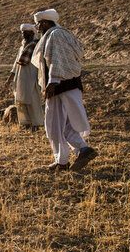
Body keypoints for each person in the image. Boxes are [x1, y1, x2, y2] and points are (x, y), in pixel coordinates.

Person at [31, 9, 97, 171]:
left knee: (54, 125)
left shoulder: (55, 35)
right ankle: (78, 152)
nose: (37, 28)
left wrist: (52, 82)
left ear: (45, 22)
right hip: (67, 85)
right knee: (66, 124)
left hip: (60, 86)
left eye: (38, 24)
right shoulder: (62, 34)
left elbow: (56, 59)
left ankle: (64, 160)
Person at [4, 24, 44, 130]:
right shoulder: (22, 47)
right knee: (21, 101)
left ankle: (36, 124)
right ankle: (25, 123)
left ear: (32, 33)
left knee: (33, 101)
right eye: (22, 32)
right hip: (20, 78)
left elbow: (41, 63)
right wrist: (10, 78)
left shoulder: (36, 45)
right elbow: (15, 64)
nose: (23, 34)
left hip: (32, 77)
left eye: (25, 32)